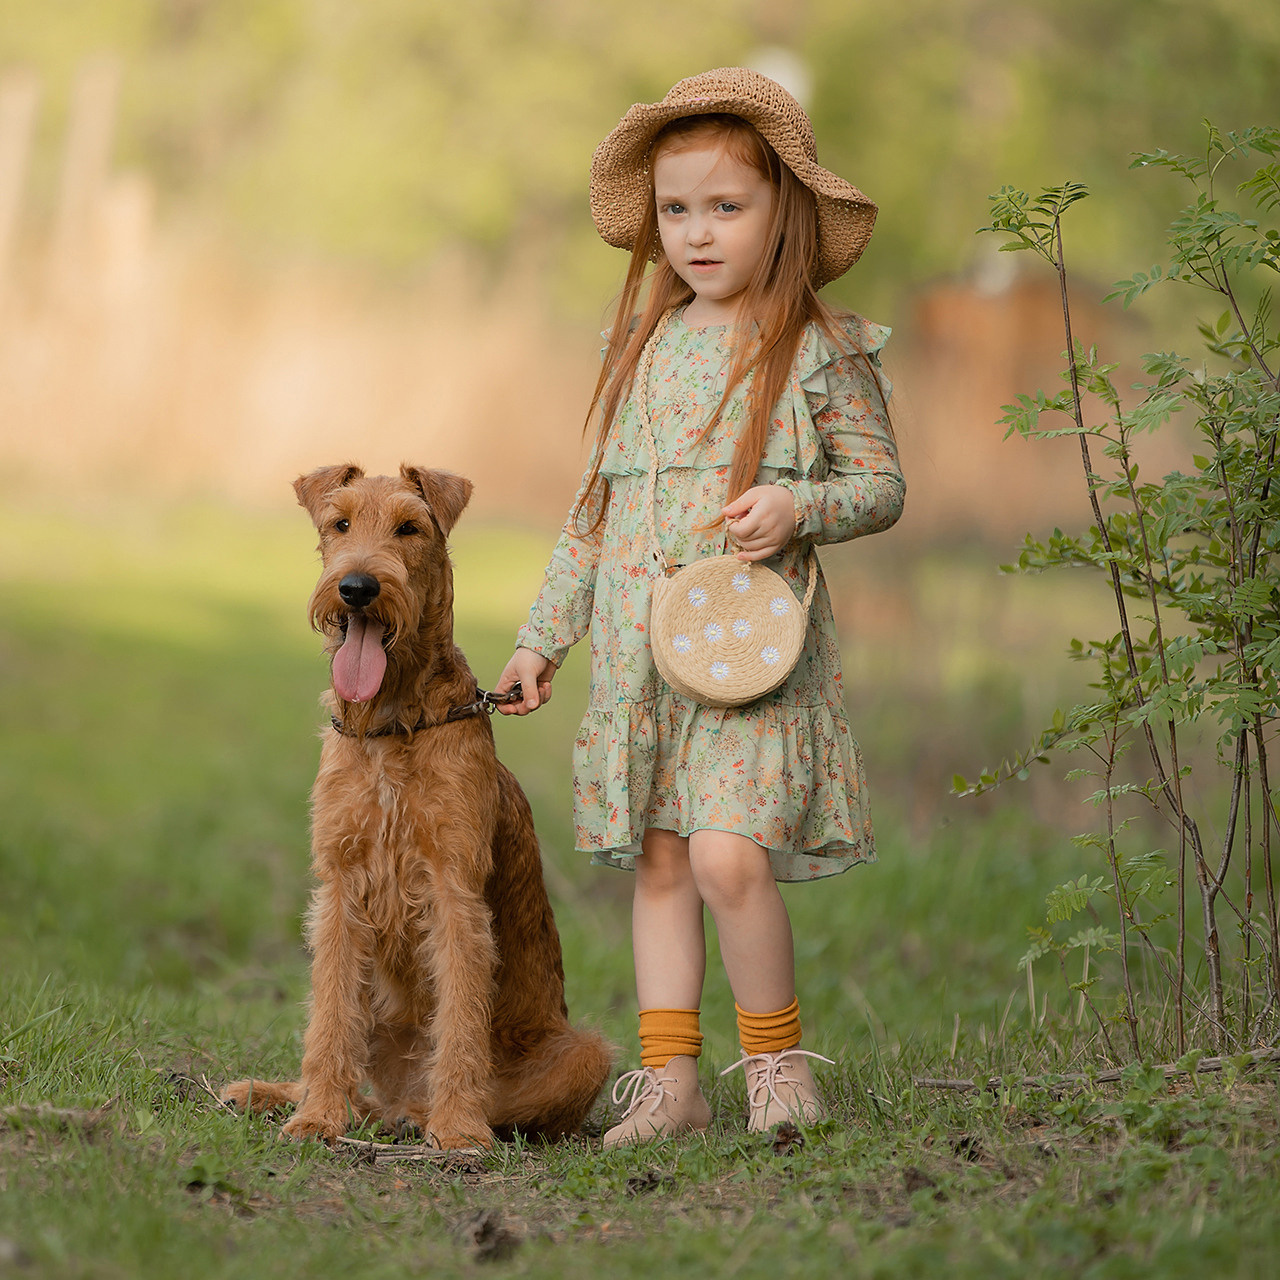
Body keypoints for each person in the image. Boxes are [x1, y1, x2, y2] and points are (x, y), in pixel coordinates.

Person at [494, 67, 905, 1146]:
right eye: (676, 210)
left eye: (727, 205)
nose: (698, 232)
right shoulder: (640, 345)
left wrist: (799, 505)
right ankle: (670, 1083)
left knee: (729, 857)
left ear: (784, 210)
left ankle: (775, 1066)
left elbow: (880, 485)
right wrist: (542, 639)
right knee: (665, 860)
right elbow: (591, 516)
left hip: (746, 656)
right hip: (641, 657)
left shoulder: (816, 348)